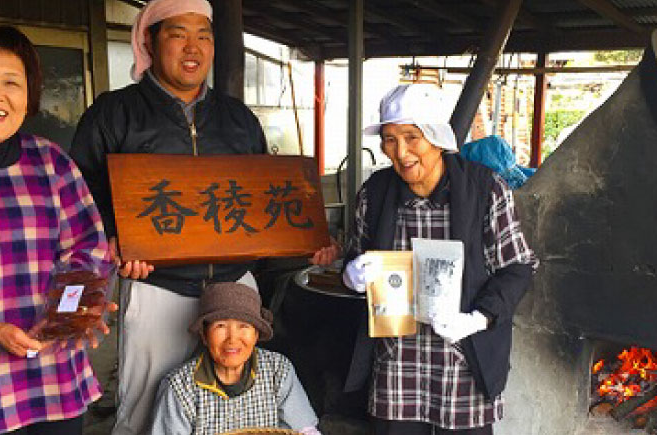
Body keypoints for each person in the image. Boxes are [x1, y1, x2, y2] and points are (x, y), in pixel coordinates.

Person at [69, 0, 335, 433]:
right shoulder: (113, 114)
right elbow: (79, 200)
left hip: (234, 288)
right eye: (178, 34)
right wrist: (115, 242)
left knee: (237, 402)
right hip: (157, 283)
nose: (193, 47)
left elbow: (261, 205)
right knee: (146, 406)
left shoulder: (238, 118)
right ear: (150, 42)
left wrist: (306, 244)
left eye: (204, 35)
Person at [342, 84, 538, 434]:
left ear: (437, 137)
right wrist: (352, 275)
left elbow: (517, 267)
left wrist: (478, 318)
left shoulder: (485, 190)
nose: (400, 152)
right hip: (395, 360)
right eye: (389, 139)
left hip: (462, 358)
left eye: (411, 137)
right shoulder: (375, 193)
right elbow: (356, 255)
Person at [0, 23, 114, 434]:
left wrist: (70, 313)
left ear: (28, 96)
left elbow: (89, 248)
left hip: (53, 375)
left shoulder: (51, 162)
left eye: (12, 82)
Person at [150, 282, 321, 434]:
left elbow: (305, 430)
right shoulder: (180, 388)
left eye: (243, 326)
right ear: (204, 335)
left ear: (256, 335)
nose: (232, 339)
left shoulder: (278, 370)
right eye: (221, 326)